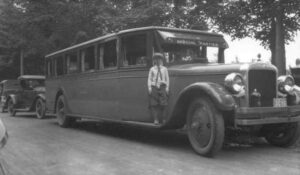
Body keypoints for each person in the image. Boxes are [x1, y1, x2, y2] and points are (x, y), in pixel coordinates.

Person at [147, 53, 170, 125]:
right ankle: (156, 119)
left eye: (159, 59)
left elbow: (167, 79)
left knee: (164, 104)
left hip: (162, 86)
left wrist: (167, 87)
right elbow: (149, 79)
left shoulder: (164, 69)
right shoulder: (152, 69)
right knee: (154, 104)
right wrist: (149, 87)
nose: (158, 60)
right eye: (156, 59)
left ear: (161, 60)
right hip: (154, 86)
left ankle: (164, 119)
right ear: (154, 60)